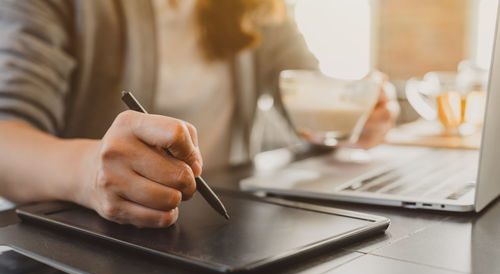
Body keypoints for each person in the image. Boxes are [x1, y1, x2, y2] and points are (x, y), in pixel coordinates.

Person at [0, 0, 398, 227]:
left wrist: (354, 110)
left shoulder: (256, 6)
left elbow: (300, 88)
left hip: (230, 234)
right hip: (95, 249)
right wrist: (88, 173)